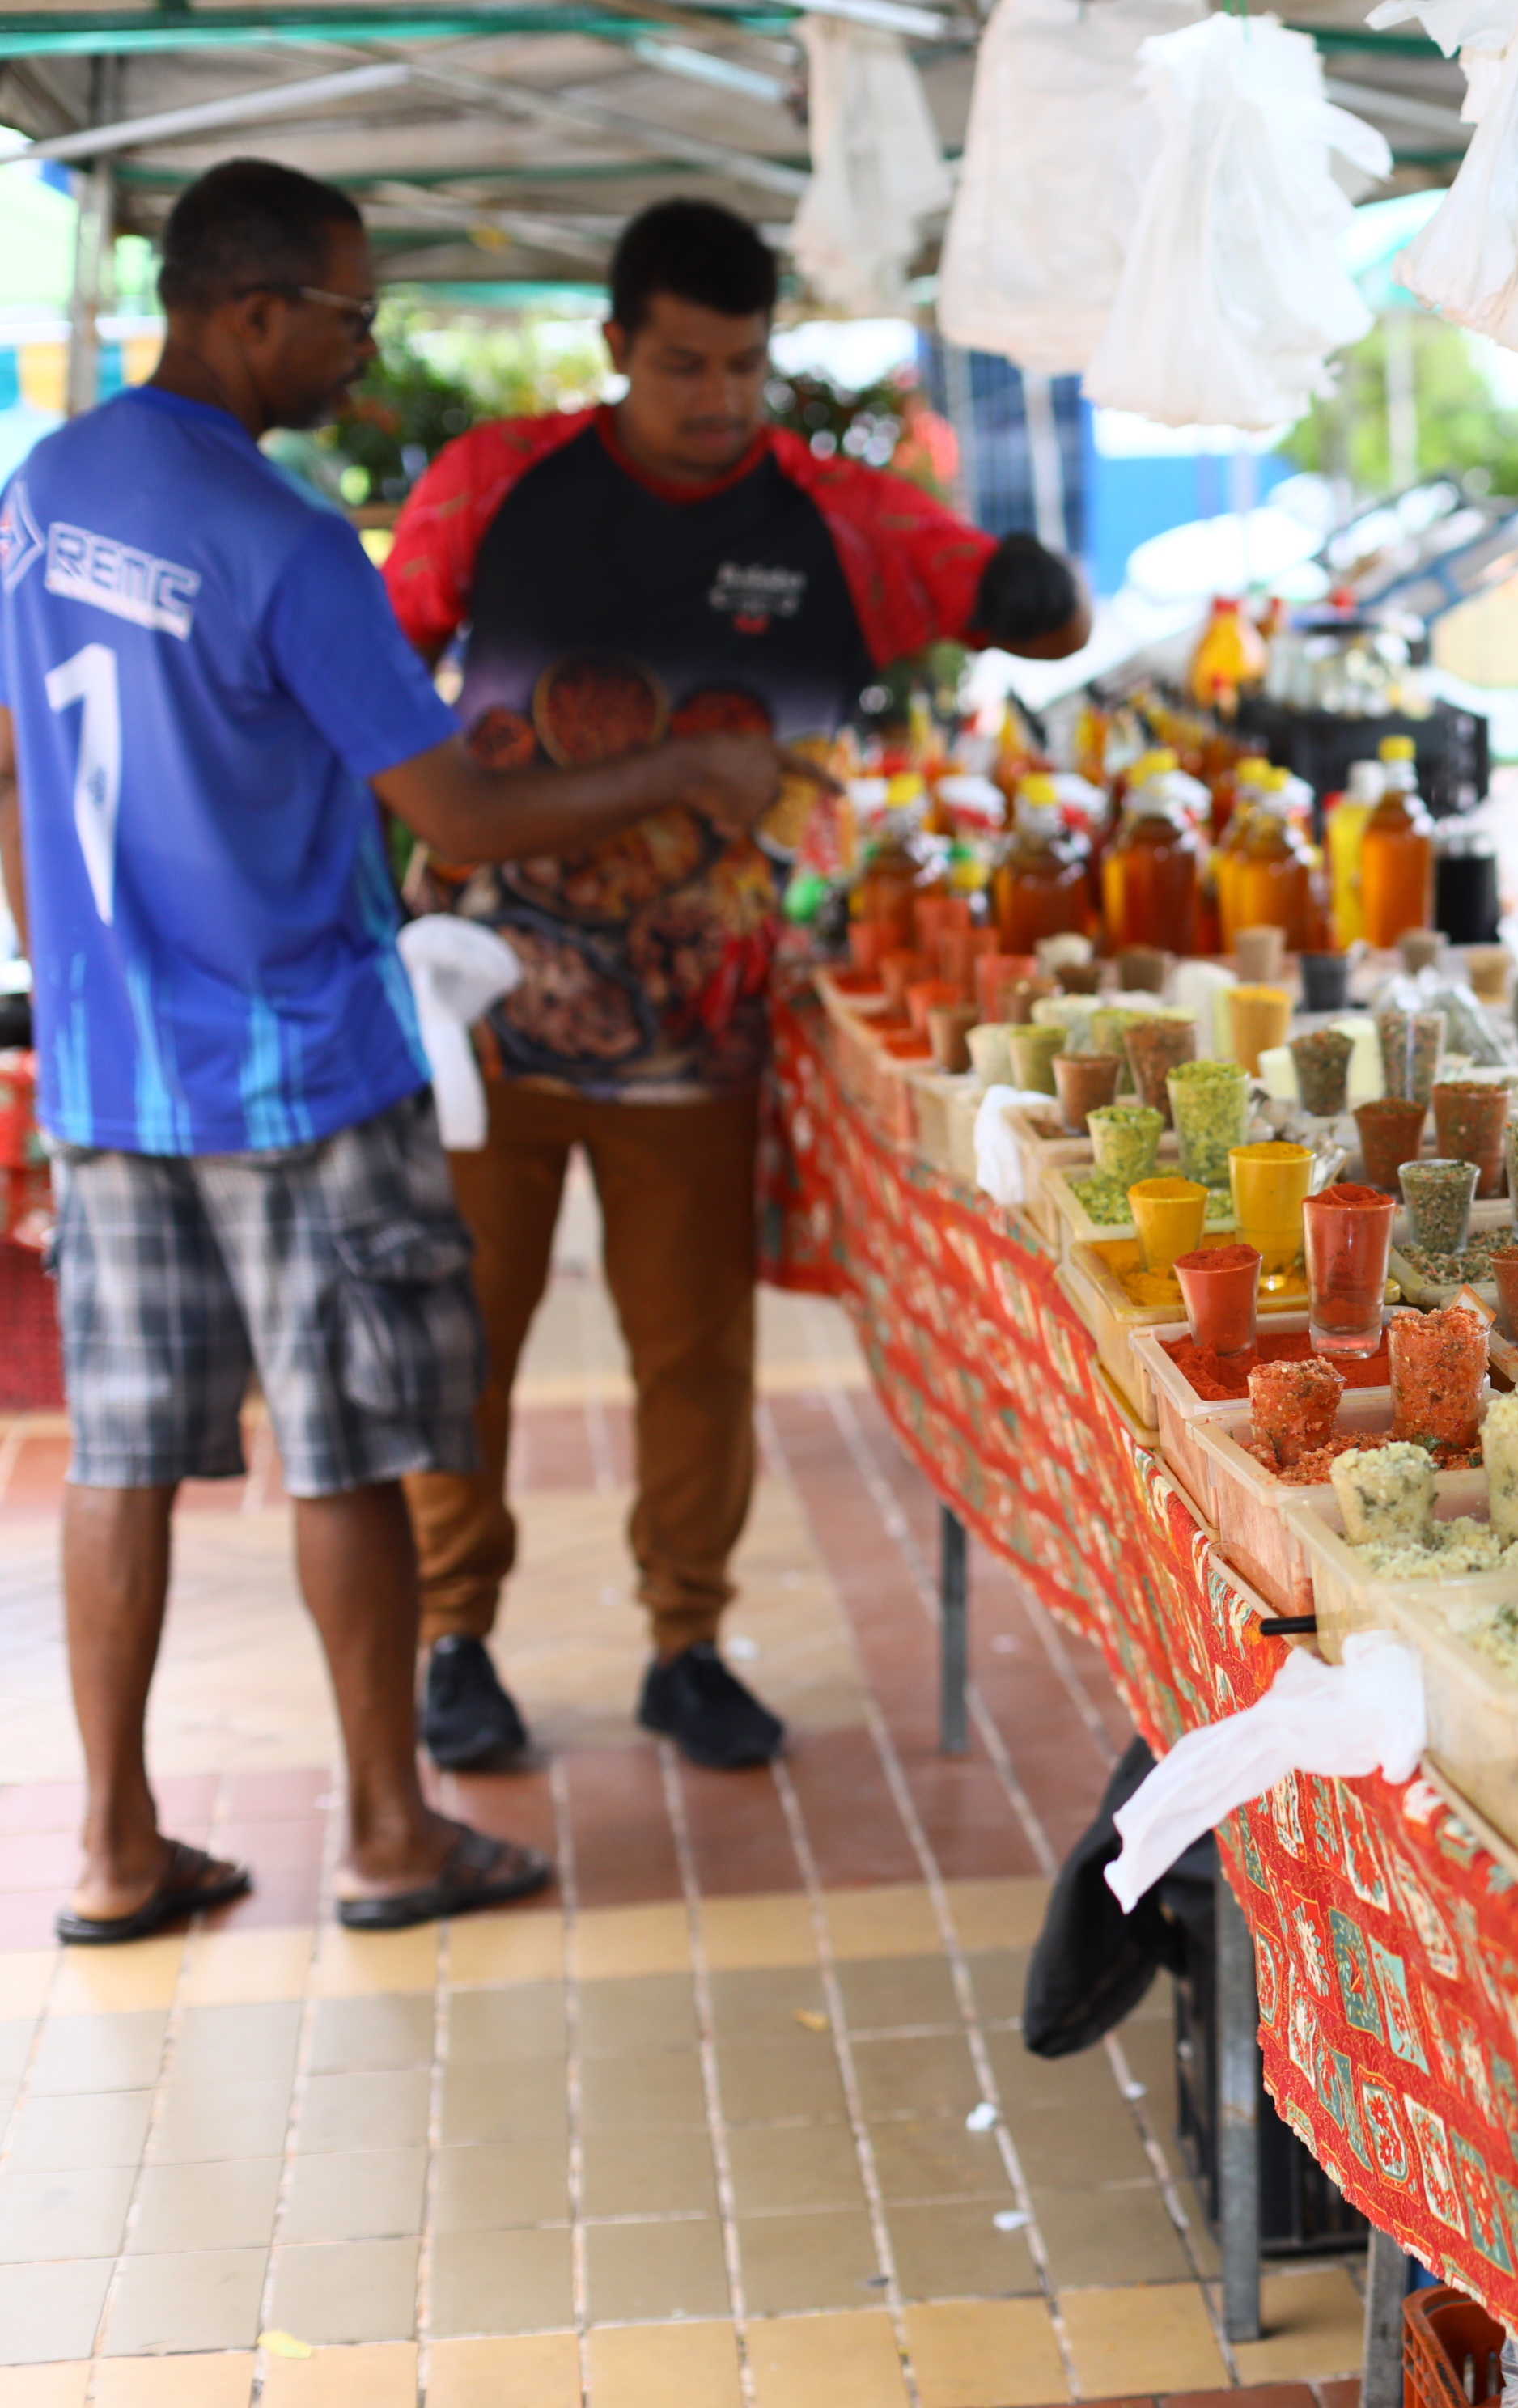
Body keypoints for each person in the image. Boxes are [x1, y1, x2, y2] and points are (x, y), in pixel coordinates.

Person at [0, 159, 786, 1939]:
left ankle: (117, 1853)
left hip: (113, 1075)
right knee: (347, 1452)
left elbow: (6, 762)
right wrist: (685, 765)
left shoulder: (44, 490)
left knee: (120, 1458)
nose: (366, 347)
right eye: (350, 316)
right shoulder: (285, 545)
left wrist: (72, 981)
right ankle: (386, 1834)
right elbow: (464, 816)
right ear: (253, 313)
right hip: (298, 1067)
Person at [382, 199, 1092, 1774]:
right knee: (458, 1340)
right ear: (615, 346)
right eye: (683, 366)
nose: (718, 401)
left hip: (700, 1032)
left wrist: (1036, 595)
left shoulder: (843, 518)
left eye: (745, 367)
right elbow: (371, 675)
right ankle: (450, 1637)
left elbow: (1047, 619)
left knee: (691, 1355)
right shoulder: (495, 483)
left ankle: (686, 1644)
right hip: (474, 1015)